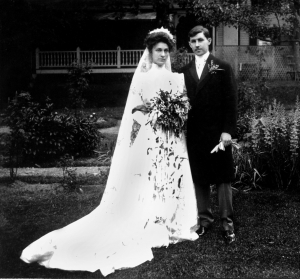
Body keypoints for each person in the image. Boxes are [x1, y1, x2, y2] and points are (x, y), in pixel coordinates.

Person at [20, 28, 199, 277]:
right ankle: (150, 223)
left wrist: (174, 115)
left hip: (172, 139)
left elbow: (183, 108)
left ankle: (171, 222)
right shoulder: (143, 79)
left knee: (170, 179)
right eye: (158, 50)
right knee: (147, 184)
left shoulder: (176, 78)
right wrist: (154, 115)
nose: (162, 54)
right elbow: (135, 113)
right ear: (149, 52)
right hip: (150, 138)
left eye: (166, 50)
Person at [179, 26, 238, 244]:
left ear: (209, 41)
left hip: (218, 133)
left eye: (200, 40)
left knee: (223, 178)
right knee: (200, 178)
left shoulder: (222, 67)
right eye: (193, 41)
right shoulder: (184, 71)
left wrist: (227, 131)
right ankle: (204, 220)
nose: (196, 45)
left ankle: (227, 224)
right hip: (195, 134)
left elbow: (231, 102)